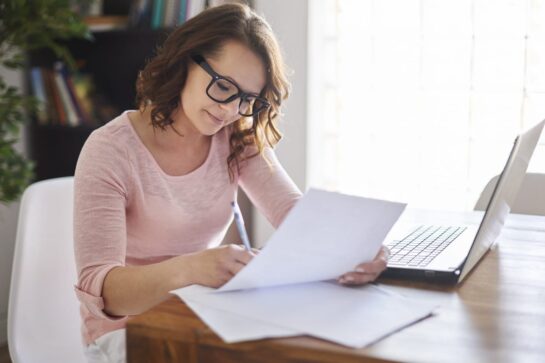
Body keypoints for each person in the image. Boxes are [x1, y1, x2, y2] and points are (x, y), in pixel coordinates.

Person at [73, 4, 389, 362]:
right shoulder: (111, 149)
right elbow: (103, 293)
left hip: (207, 314)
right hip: (129, 332)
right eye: (223, 87)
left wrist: (358, 248)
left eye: (247, 100)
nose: (230, 110)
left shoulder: (235, 137)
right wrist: (191, 268)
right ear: (186, 61)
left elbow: (295, 214)